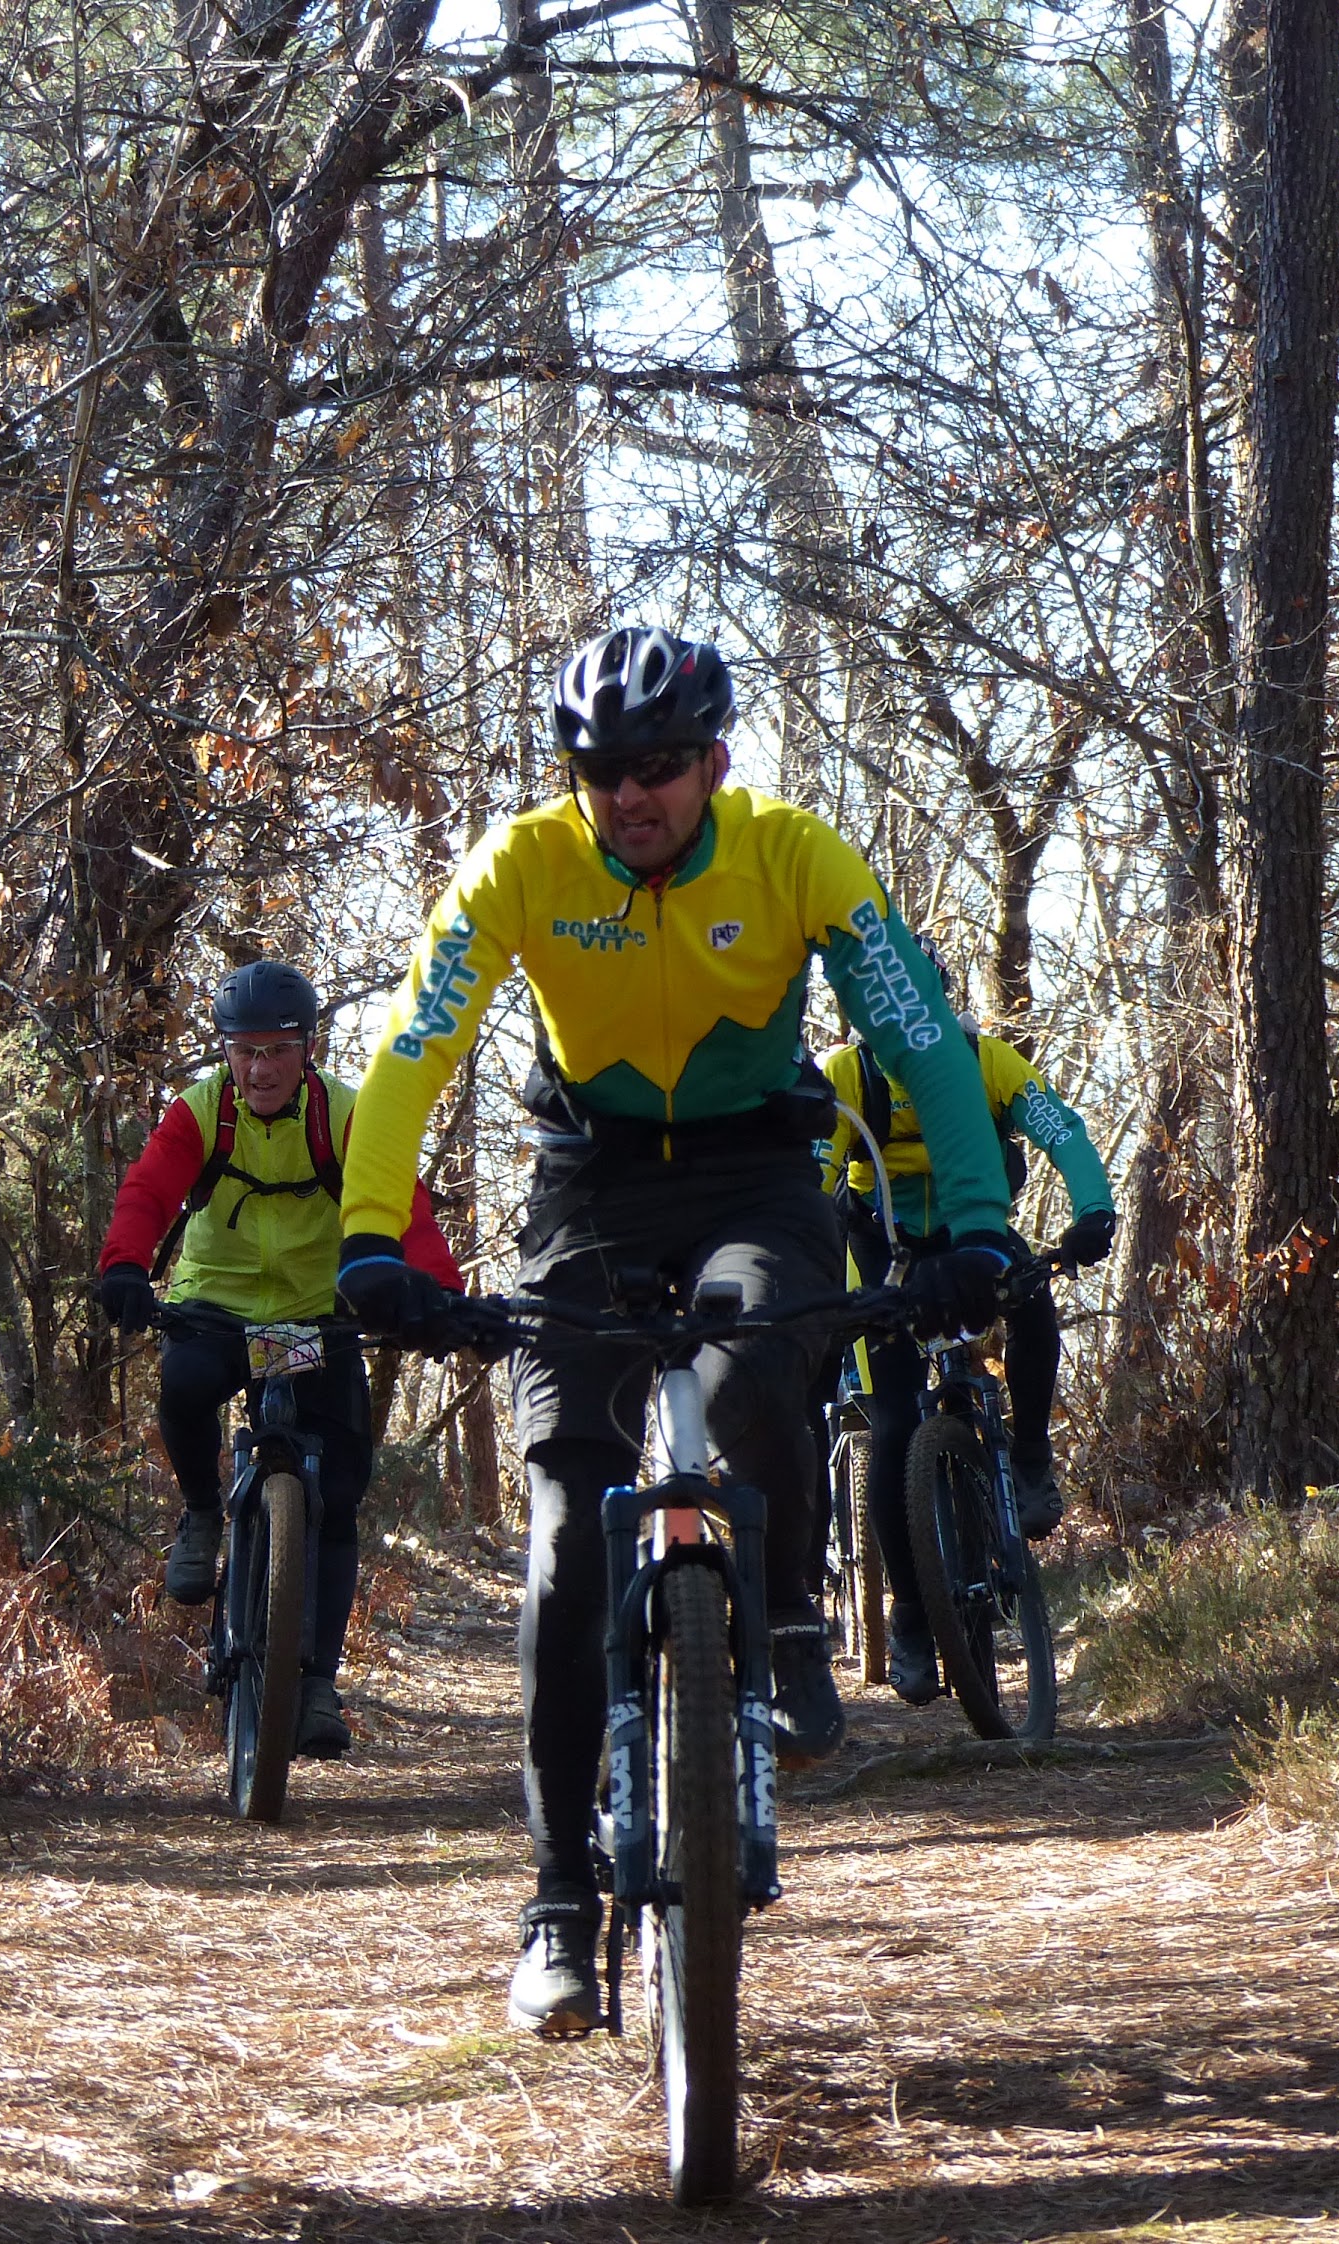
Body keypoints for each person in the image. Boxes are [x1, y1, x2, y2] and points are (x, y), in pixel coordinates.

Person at [330, 624, 1021, 2037]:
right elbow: (415, 1042)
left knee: (767, 1346)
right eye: (600, 771)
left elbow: (921, 1034)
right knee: (570, 1543)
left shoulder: (793, 853)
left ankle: (775, 1628)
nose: (627, 795)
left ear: (713, 762)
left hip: (754, 1177)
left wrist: (974, 1221)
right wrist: (364, 1236)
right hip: (585, 1190)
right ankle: (558, 1906)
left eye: (655, 768)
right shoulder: (522, 866)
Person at [94, 959, 465, 1760]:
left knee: (333, 1491)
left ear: (308, 1049)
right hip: (217, 1306)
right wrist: (124, 1264)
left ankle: (319, 1684)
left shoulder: (347, 1116)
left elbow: (405, 1205)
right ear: (226, 1051)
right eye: (243, 1050)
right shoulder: (200, 1113)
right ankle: (200, 1512)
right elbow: (148, 1191)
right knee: (187, 1385)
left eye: (277, 1050)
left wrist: (434, 1291)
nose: (259, 1068)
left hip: (309, 1317)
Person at [816, 936, 1115, 1704]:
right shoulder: (845, 1078)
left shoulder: (987, 1062)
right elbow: (811, 1179)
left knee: (1034, 1300)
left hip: (974, 1239)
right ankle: (913, 1612)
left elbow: (1062, 1131)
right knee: (888, 1426)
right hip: (883, 1253)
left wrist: (1093, 1213)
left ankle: (1029, 1452)